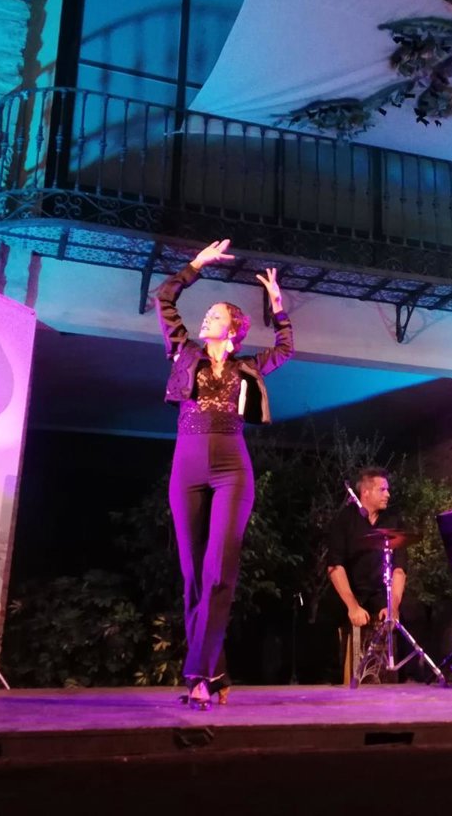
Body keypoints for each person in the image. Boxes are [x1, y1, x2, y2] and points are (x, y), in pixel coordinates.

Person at [157, 238, 293, 710]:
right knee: (193, 575)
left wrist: (277, 305)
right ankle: (215, 670)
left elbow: (286, 347)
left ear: (233, 330)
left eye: (215, 315)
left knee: (219, 572)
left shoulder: (248, 366)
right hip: (187, 465)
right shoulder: (183, 352)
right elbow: (165, 298)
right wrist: (196, 264)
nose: (205, 319)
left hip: (233, 468)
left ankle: (197, 675)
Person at [327, 467, 406, 632]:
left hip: (381, 597)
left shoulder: (393, 520)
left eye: (388, 490)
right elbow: (335, 567)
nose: (388, 494)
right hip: (351, 596)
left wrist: (393, 607)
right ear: (365, 492)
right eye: (382, 490)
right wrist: (352, 606)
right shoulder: (344, 520)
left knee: (404, 616)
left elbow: (399, 569)